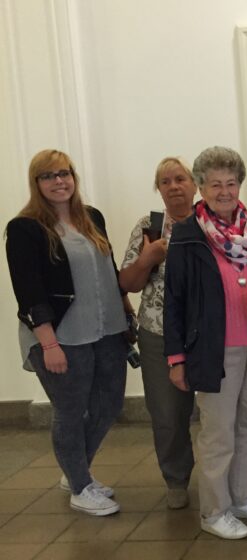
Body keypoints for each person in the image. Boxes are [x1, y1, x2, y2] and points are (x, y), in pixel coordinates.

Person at [164, 146, 247, 539]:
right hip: (213, 350)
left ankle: (243, 497)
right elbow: (174, 300)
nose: (224, 191)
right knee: (218, 434)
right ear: (201, 188)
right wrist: (176, 358)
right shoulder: (188, 234)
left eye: (231, 183)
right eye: (215, 184)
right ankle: (215, 511)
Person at [6, 149, 130, 516]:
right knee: (71, 410)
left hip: (107, 330)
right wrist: (48, 344)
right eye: (48, 176)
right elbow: (28, 290)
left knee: (109, 404)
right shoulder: (25, 228)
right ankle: (79, 485)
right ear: (36, 183)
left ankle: (75, 470)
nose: (58, 181)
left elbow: (107, 272)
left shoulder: (92, 218)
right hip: (62, 336)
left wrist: (126, 312)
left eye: (64, 173)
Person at [119, 157, 198, 509]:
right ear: (158, 189)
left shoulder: (211, 222)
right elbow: (128, 283)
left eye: (180, 179)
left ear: (195, 184)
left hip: (209, 332)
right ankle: (176, 480)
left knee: (221, 412)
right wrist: (147, 258)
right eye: (165, 181)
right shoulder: (148, 226)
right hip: (158, 333)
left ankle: (226, 479)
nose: (174, 186)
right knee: (167, 414)